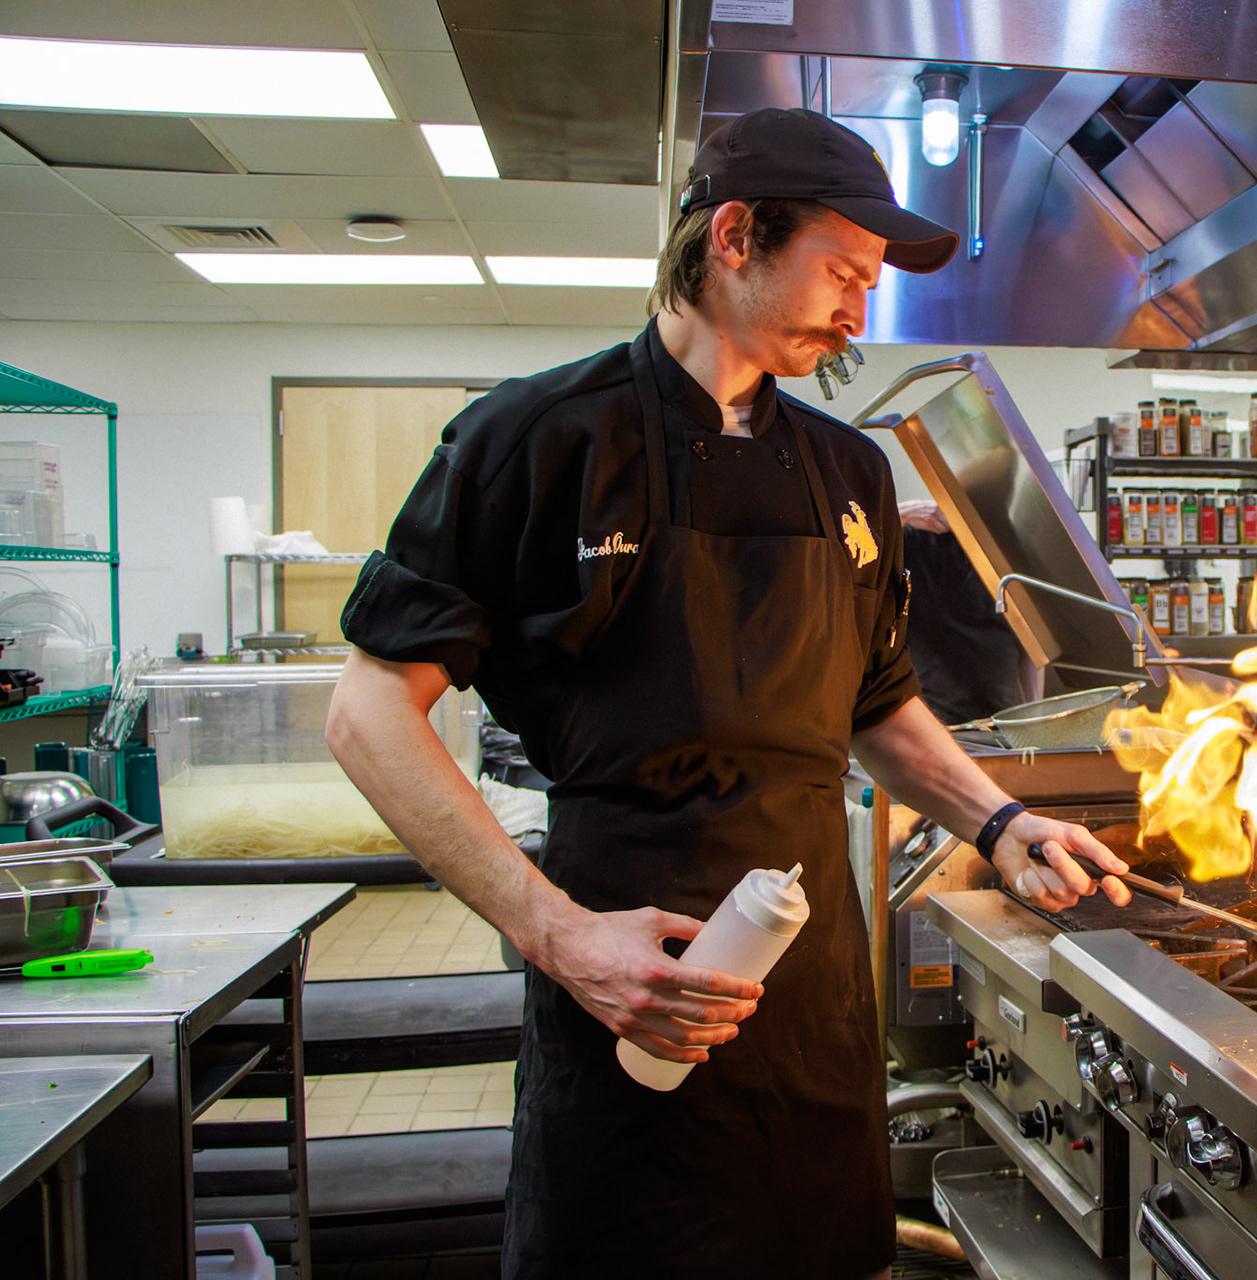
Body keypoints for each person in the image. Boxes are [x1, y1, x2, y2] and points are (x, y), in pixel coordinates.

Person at [325, 107, 1131, 1280]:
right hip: (620, 974)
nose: (861, 310)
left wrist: (1000, 821)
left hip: (811, 996)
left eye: (872, 282)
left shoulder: (848, 469)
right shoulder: (535, 439)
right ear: (738, 235)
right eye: (843, 271)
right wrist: (557, 934)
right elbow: (366, 714)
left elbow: (875, 704)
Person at [896, 498, 1039, 724]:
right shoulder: (914, 540)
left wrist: (1032, 719)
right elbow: (856, 552)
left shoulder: (1010, 549)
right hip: (933, 724)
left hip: (1002, 722)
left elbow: (1029, 647)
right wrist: (901, 513)